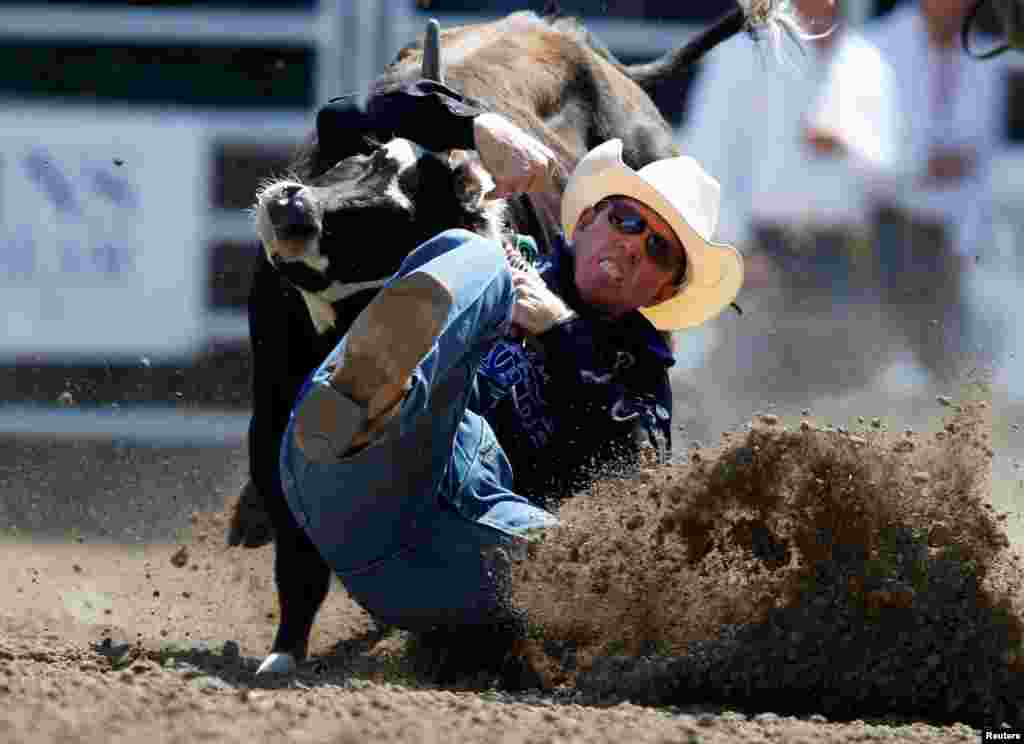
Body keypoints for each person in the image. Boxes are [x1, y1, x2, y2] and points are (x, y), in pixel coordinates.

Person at [277, 98, 744, 633]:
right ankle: (366, 406)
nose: (634, 243)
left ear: (665, 289)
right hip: (353, 471)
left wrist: (560, 332)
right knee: (470, 254)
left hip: (463, 550)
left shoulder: (640, 379)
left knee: (616, 571)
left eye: (660, 249)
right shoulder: (496, 252)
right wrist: (473, 125)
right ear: (588, 219)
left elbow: (636, 477)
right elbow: (349, 117)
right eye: (627, 218)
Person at [864, 0, 1012, 382]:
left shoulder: (984, 61)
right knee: (877, 358)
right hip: (881, 229)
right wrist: (922, 165)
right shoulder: (877, 46)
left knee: (946, 361)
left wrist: (966, 244)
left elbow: (980, 164)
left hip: (945, 236)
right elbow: (864, 149)